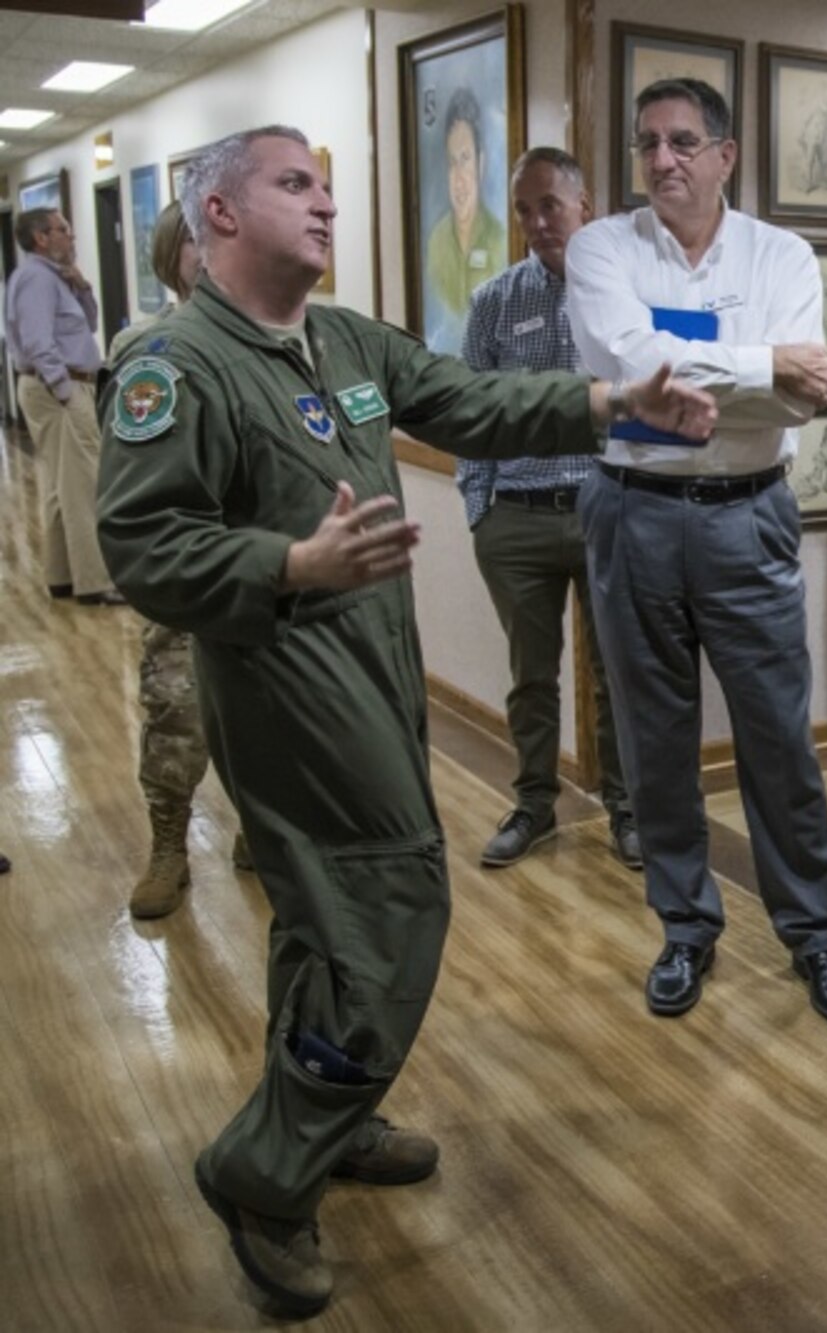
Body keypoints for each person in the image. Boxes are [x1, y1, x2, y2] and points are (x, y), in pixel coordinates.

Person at [94, 124, 713, 1318]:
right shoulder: (179, 365)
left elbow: (474, 399)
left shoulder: (341, 338)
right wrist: (291, 560)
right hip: (283, 676)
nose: (325, 205)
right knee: (392, 896)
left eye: (326, 186)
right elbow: (143, 544)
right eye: (293, 186)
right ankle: (265, 1172)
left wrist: (613, 399)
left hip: (370, 660)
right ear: (219, 214)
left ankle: (328, 1112)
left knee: (326, 919)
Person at [564, 77, 827, 1026]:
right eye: (648, 143)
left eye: (685, 142)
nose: (663, 161)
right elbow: (623, 361)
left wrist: (718, 365)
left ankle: (814, 936)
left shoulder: (781, 253)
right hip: (633, 510)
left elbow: (800, 395)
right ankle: (686, 927)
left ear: (726, 155)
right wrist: (755, 359)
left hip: (747, 514)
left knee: (779, 739)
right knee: (655, 741)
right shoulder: (601, 245)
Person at [456, 146, 637, 871]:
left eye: (549, 206)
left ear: (583, 205)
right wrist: (480, 510)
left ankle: (627, 809)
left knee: (618, 670)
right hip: (519, 517)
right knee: (532, 676)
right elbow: (468, 412)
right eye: (524, 210)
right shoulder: (496, 301)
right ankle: (534, 803)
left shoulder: (625, 294)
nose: (535, 222)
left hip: (607, 509)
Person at [110, 200, 256, 918]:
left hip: (263, 566)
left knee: (268, 707)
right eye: (194, 244)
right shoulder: (148, 352)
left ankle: (260, 828)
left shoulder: (273, 340)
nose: (209, 256)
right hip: (189, 569)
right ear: (171, 258)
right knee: (177, 705)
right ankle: (169, 843)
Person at [6, 207, 120, 606]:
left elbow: (88, 324)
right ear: (41, 237)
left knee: (61, 488)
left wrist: (82, 284)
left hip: (62, 387)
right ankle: (96, 582)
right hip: (59, 390)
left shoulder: (56, 279)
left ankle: (63, 577)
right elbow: (38, 343)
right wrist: (65, 392)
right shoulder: (36, 280)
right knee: (84, 487)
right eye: (64, 230)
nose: (71, 237)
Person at [424, 88, 507, 350]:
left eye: (465, 159)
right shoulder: (436, 242)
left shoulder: (500, 240)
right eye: (452, 163)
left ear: (481, 165)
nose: (459, 178)